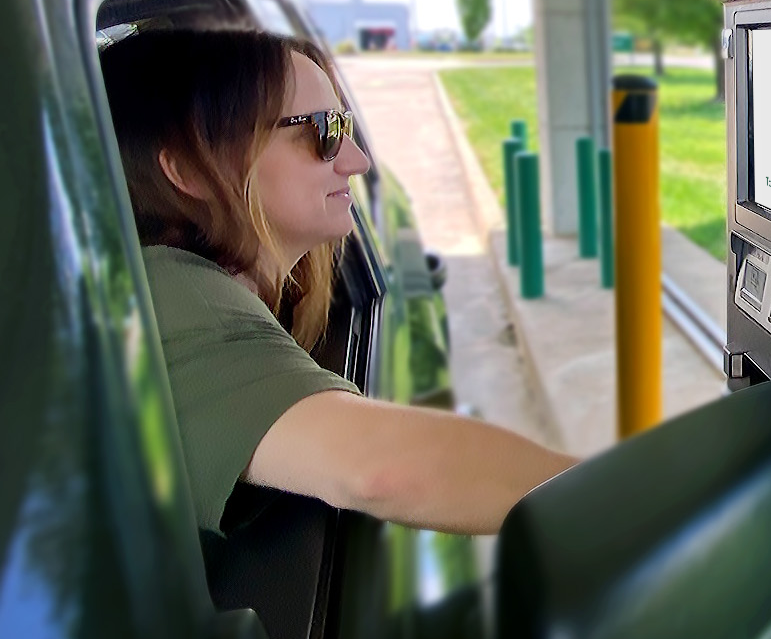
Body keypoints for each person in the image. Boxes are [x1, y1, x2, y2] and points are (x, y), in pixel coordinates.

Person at [102, 28, 577, 536]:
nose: (356, 160)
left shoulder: (197, 288)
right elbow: (380, 470)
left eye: (345, 125)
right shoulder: (172, 297)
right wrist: (631, 504)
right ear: (187, 168)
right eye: (322, 131)